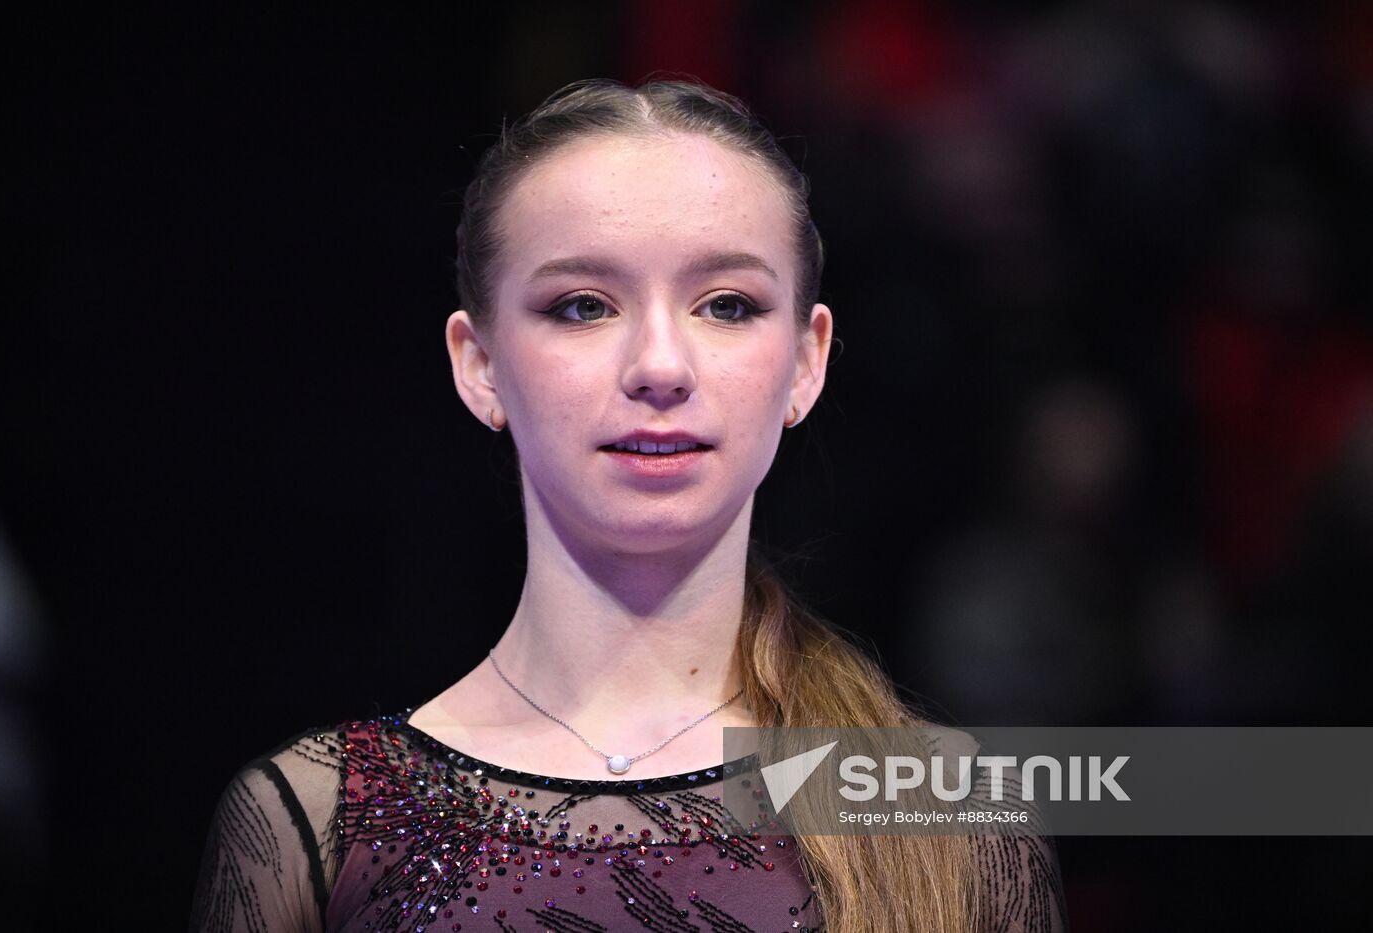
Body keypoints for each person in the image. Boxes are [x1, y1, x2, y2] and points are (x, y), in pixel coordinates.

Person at [189, 78, 1067, 933]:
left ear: (807, 361)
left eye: (726, 305)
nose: (660, 365)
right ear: (479, 363)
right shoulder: (320, 823)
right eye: (583, 306)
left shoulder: (950, 816)